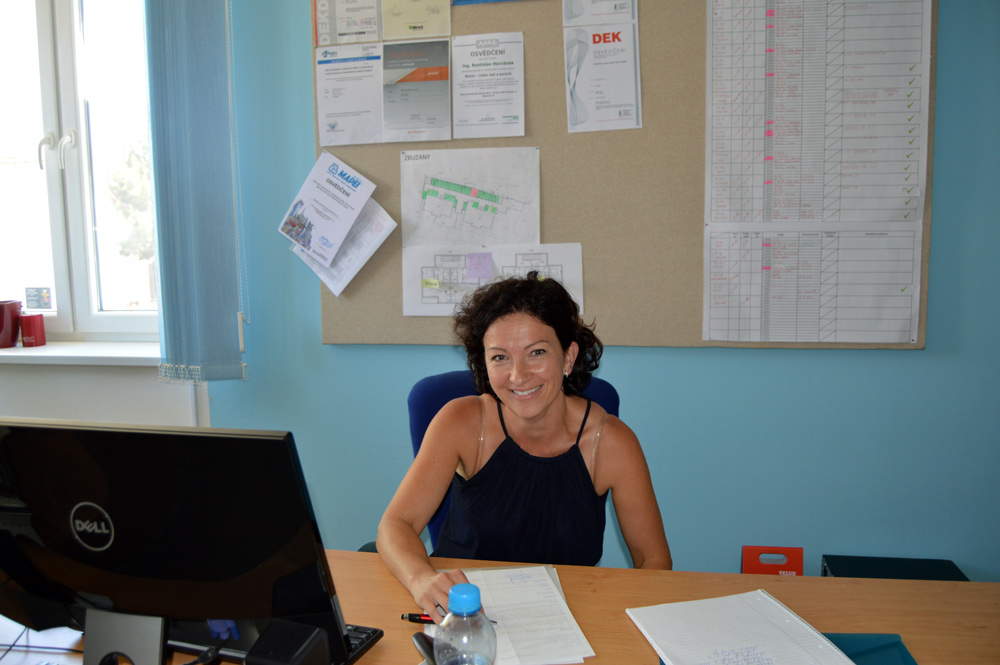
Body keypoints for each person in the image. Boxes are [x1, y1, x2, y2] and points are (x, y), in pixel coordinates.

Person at [377, 271, 670, 622]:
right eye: (500, 357)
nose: (518, 375)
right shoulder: (461, 423)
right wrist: (421, 579)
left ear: (568, 356)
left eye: (537, 353)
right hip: (466, 613)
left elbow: (654, 561)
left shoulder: (610, 443)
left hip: (569, 618)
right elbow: (396, 524)